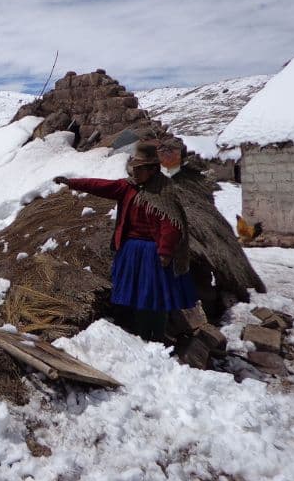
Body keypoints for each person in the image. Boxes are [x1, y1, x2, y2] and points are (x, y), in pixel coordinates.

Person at [53, 142, 197, 342]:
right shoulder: (128, 187)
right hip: (130, 251)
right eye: (134, 169)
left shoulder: (164, 192)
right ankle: (142, 336)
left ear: (153, 169)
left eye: (139, 169)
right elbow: (101, 186)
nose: (135, 173)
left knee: (153, 299)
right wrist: (72, 183)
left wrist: (165, 251)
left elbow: (170, 224)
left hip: (153, 254)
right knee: (138, 298)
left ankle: (156, 338)